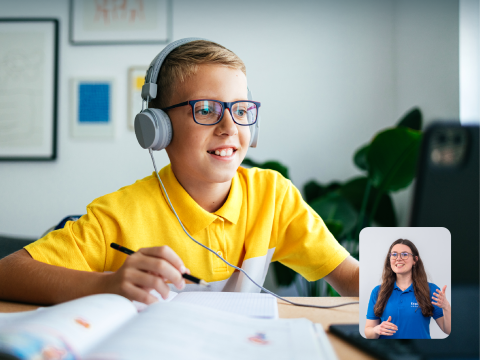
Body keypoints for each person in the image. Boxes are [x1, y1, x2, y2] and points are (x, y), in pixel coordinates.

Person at [0, 39, 359, 306]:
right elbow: (7, 273)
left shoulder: (272, 196)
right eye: (205, 109)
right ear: (158, 129)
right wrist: (107, 284)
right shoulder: (118, 216)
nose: (229, 126)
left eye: (241, 109)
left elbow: (349, 277)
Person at [364, 239, 451, 339]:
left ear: (415, 260)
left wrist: (446, 307)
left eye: (404, 254)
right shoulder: (378, 291)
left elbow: (447, 330)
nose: (398, 258)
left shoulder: (431, 290)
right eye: (394, 254)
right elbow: (368, 331)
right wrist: (376, 330)